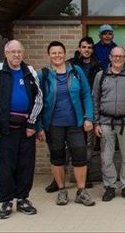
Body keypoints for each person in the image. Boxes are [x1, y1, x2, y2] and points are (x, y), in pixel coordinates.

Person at [0, 40, 43, 219]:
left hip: (26, 128)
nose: (16, 55)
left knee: (25, 164)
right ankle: (6, 201)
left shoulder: (29, 71)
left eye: (19, 52)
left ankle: (23, 199)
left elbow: (38, 98)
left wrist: (32, 124)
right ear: (6, 53)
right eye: (13, 52)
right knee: (6, 166)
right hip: (4, 128)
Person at [36, 41, 95, 206]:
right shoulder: (43, 75)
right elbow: (37, 102)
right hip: (53, 125)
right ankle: (62, 190)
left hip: (75, 124)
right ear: (49, 55)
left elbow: (86, 95)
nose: (57, 56)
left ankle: (81, 191)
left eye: (60, 52)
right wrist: (38, 126)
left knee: (80, 157)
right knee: (57, 158)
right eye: (53, 53)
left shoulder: (76, 71)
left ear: (64, 53)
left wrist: (88, 117)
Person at [92, 46, 125, 202]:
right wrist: (96, 123)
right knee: (106, 158)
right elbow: (95, 100)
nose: (118, 59)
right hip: (106, 122)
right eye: (115, 56)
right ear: (110, 57)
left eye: (121, 56)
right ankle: (110, 186)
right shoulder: (101, 76)